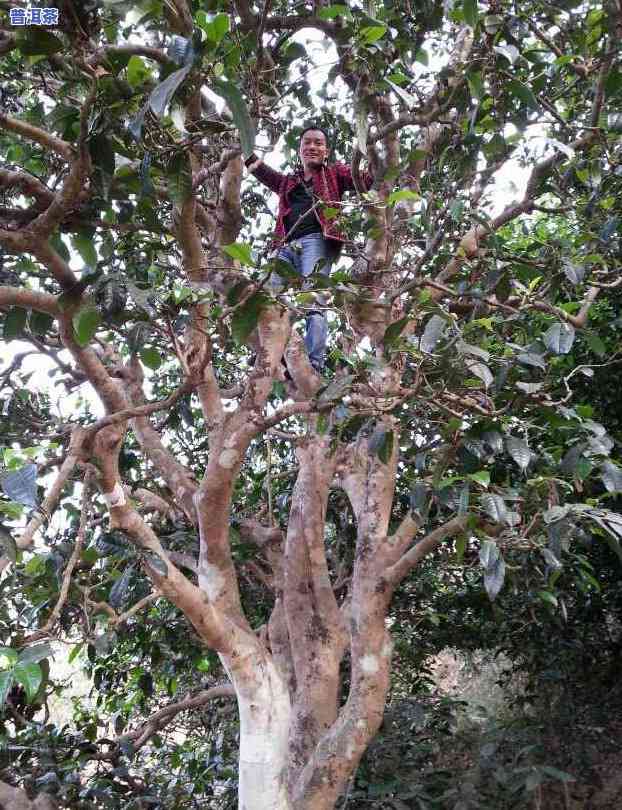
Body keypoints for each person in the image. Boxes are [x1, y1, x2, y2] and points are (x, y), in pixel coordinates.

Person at [244, 125, 372, 374]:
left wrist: (375, 157)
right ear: (300, 150)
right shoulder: (288, 182)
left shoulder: (335, 173)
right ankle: (273, 353)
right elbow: (262, 171)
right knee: (266, 296)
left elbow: (365, 179)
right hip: (285, 245)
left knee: (314, 300)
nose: (312, 147)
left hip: (317, 240)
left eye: (318, 143)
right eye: (307, 143)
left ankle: (314, 363)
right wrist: (242, 142)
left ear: (326, 151)